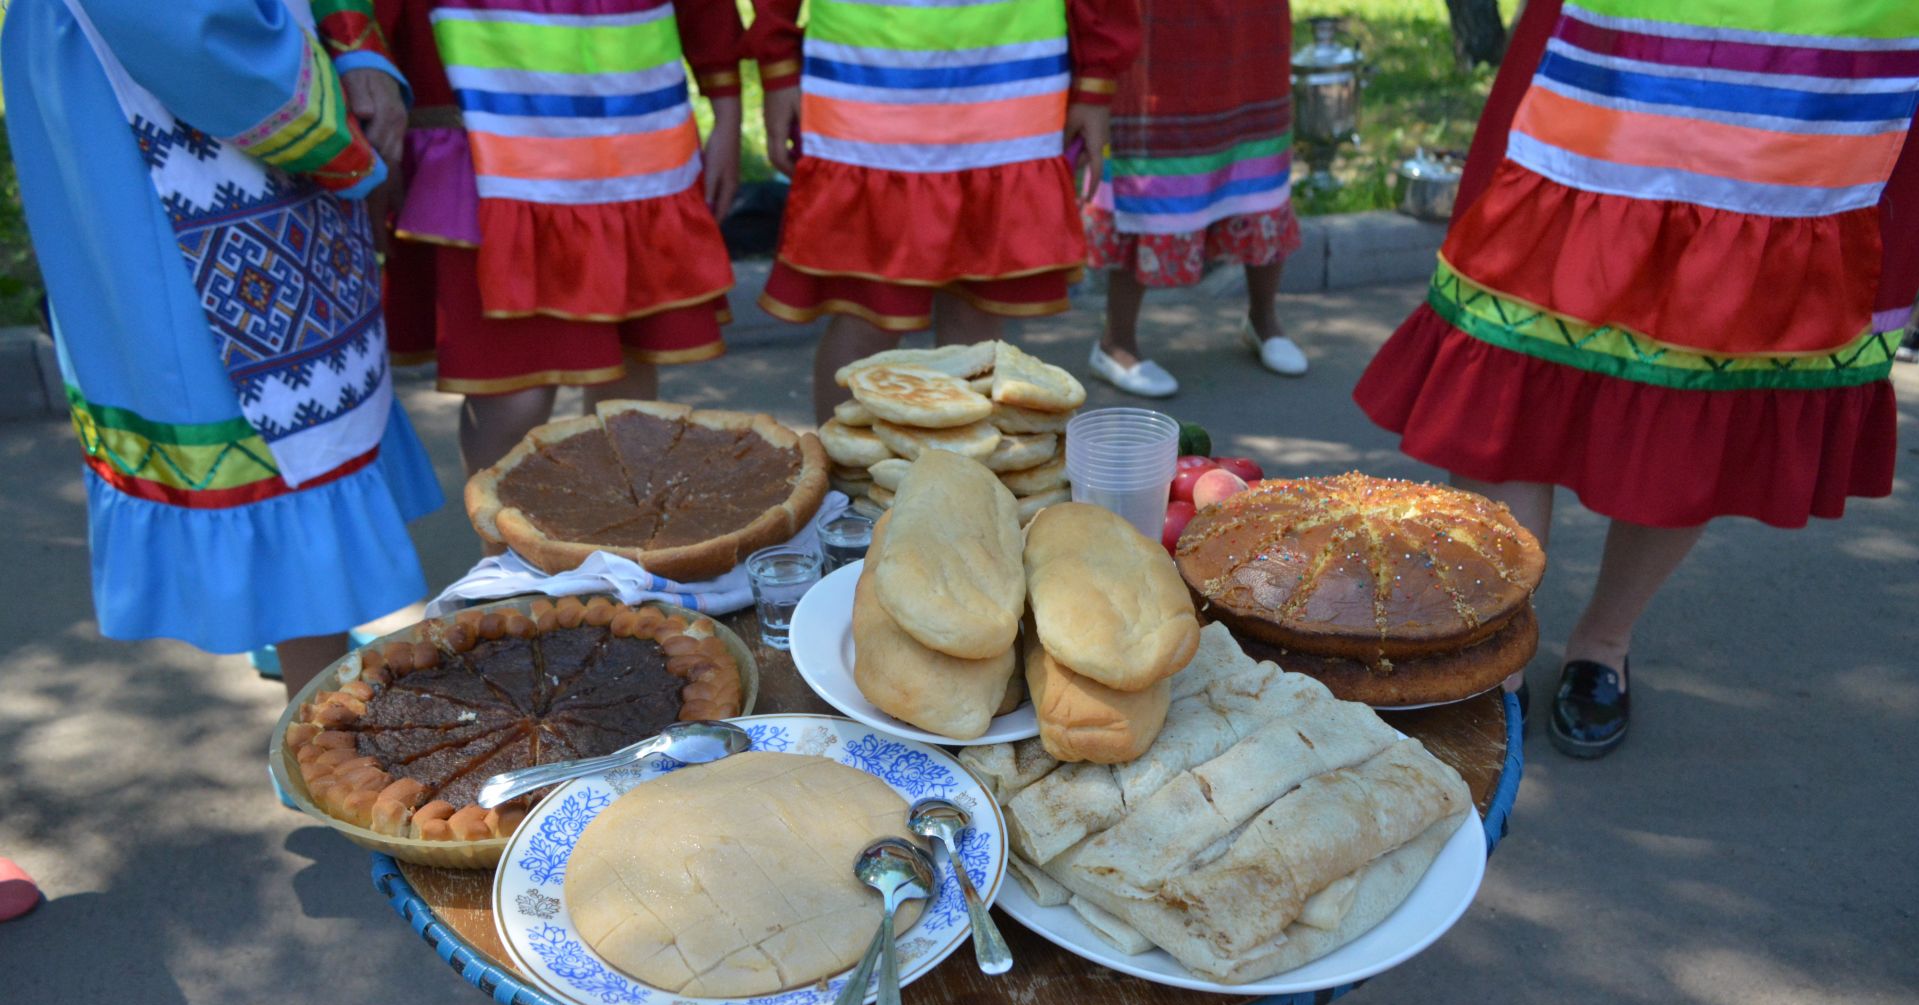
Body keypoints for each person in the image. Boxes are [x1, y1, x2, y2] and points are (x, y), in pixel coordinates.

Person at [1354, 0, 1919, 759]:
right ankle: (1492, 640)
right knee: (1517, 330)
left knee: (1709, 359)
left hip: (1821, 56)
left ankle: (1605, 639)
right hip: (1619, 38)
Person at [2, 0, 444, 699]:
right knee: (273, 445)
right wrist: (329, 127)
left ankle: (317, 701)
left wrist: (358, 53)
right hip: (185, 104)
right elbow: (187, 30)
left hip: (240, 79)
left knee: (299, 441)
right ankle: (326, 755)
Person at [377, 0, 746, 475]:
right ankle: (502, 545)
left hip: (631, 141)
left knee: (627, 382)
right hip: (484, 139)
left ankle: (621, 538)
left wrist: (728, 109)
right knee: (514, 401)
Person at [747, 0, 1142, 424]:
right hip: (869, 85)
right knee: (867, 313)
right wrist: (778, 68)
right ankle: (841, 480)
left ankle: (961, 478)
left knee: (977, 311)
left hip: (1008, 79)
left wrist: (1096, 84)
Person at [1084, 0, 1307, 398]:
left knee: (1258, 166)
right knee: (1153, 170)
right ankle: (1116, 342)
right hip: (1161, 23)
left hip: (1252, 23)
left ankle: (1264, 319)